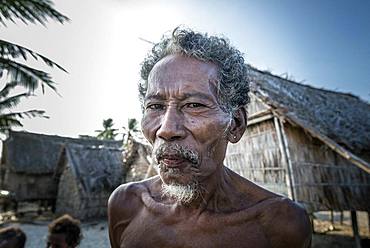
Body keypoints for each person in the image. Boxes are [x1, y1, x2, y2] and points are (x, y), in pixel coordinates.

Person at [108, 27, 312, 248]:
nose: (166, 130)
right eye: (155, 106)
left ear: (236, 124)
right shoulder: (125, 205)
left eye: (194, 105)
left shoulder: (281, 226)